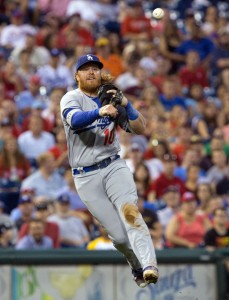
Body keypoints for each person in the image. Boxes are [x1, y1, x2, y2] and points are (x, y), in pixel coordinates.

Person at [60, 54, 158, 288]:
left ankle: (149, 265)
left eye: (95, 68)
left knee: (130, 213)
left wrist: (126, 104)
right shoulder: (70, 98)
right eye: (85, 69)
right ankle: (136, 264)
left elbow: (140, 128)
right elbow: (75, 120)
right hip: (85, 175)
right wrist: (100, 111)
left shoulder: (111, 98)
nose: (91, 72)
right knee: (119, 237)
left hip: (114, 165)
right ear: (77, 76)